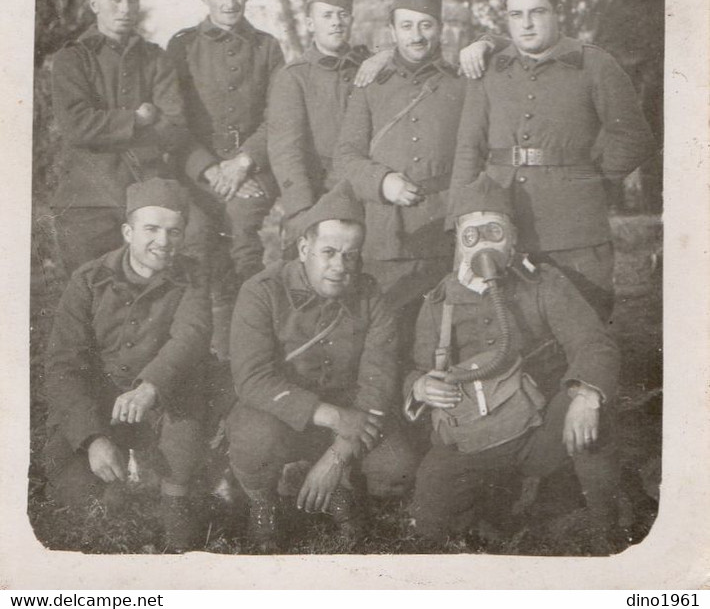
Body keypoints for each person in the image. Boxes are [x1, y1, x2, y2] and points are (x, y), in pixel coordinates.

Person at [405, 173, 622, 550]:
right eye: (471, 236)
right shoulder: (440, 301)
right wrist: (420, 386)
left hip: (539, 430)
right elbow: (417, 368)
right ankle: (499, 508)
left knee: (595, 416)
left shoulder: (544, 284)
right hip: (472, 438)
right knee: (430, 521)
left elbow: (592, 343)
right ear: (457, 243)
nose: (483, 245)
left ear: (515, 237)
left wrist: (587, 396)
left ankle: (611, 533)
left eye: (494, 232)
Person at [449, 0, 655, 319]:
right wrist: (460, 218)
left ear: (557, 13)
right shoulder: (490, 69)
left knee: (585, 324)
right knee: (509, 329)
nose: (526, 24)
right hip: (501, 225)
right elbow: (469, 149)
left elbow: (635, 137)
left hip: (576, 230)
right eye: (516, 15)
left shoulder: (594, 64)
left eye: (537, 12)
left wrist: (592, 180)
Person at [227, 182, 415, 551]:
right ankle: (263, 503)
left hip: (352, 415)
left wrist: (337, 455)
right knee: (254, 440)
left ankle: (339, 489)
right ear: (303, 248)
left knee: (397, 467)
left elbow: (379, 379)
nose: (339, 266)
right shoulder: (262, 291)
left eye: (350, 255)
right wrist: (331, 417)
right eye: (328, 252)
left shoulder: (371, 295)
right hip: (279, 412)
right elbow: (252, 379)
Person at [43, 178, 211, 552]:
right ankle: (123, 473)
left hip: (163, 402)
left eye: (174, 231)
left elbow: (191, 337)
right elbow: (63, 364)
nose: (163, 242)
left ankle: (173, 496)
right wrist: (92, 438)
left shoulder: (194, 277)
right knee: (78, 495)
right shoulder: (88, 280)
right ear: (127, 232)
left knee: (185, 444)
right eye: (151, 229)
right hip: (100, 407)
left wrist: (150, 386)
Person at [166, 0, 285, 353]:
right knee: (197, 240)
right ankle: (202, 351)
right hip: (197, 169)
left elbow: (278, 117)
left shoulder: (268, 48)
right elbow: (174, 120)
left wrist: (244, 162)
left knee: (241, 235)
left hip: (254, 170)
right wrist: (211, 169)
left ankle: (252, 348)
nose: (230, 2)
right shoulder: (182, 47)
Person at [334, 0, 466, 339]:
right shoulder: (371, 84)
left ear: (440, 28)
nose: (417, 35)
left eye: (426, 25)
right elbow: (346, 157)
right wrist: (382, 182)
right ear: (391, 32)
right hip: (386, 237)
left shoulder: (462, 83)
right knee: (387, 335)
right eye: (406, 26)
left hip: (445, 235)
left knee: (445, 335)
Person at [51, 0, 190, 275]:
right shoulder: (73, 59)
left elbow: (176, 126)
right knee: (88, 295)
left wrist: (110, 127)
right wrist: (138, 120)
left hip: (146, 201)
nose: (125, 9)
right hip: (87, 201)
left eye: (132, 0)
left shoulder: (155, 58)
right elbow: (77, 126)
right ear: (94, 3)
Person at [267, 0, 390, 245]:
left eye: (343, 14)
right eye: (327, 15)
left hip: (367, 191)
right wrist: (302, 211)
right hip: (318, 193)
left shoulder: (369, 65)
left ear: (351, 19)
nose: (336, 22)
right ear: (310, 23)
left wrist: (386, 55)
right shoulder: (294, 76)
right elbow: (286, 153)